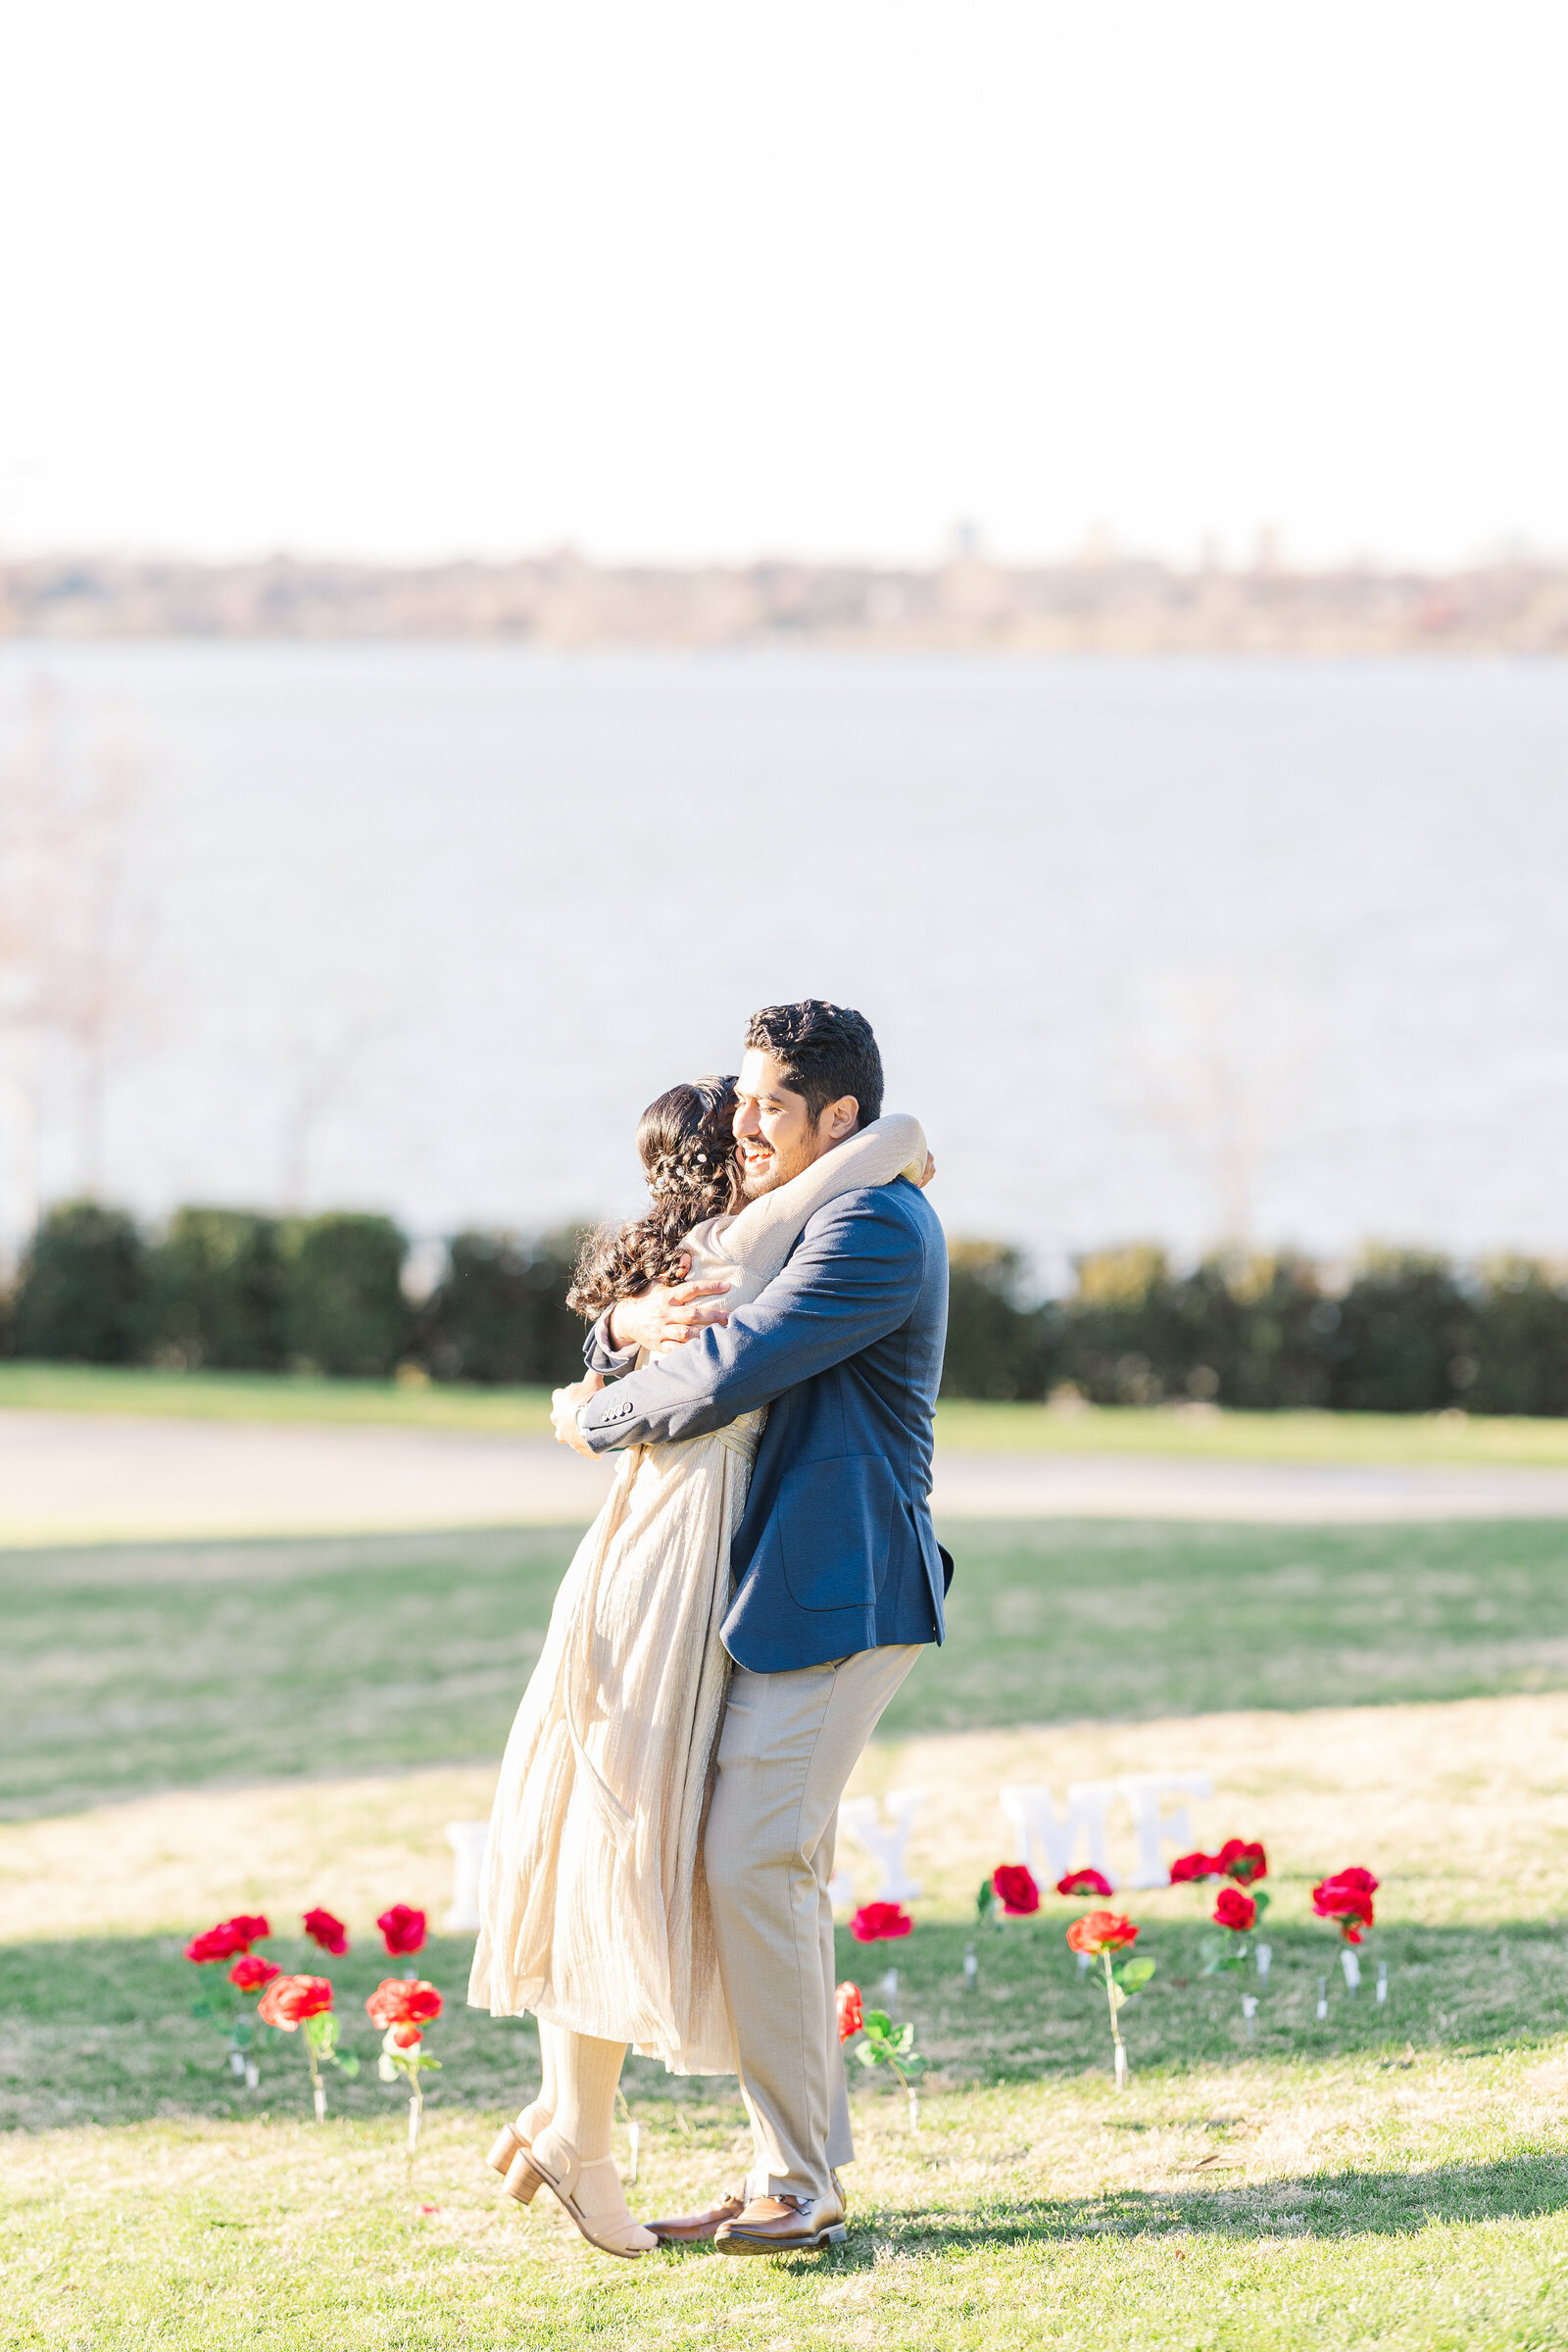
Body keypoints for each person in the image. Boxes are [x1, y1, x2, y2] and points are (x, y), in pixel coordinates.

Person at [469, 1000, 947, 2259]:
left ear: (838, 1118)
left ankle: (800, 2182)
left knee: (753, 1862)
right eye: (740, 1095)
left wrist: (591, 1412)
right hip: (749, 1591)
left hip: (839, 1593)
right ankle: (730, 2159)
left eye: (770, 1103)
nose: (741, 1120)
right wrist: (616, 1336)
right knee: (714, 1854)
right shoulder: (782, 1214)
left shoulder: (877, 1226)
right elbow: (666, 1299)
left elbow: (732, 1366)